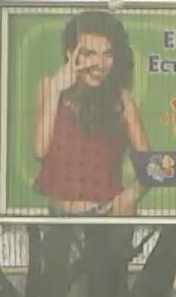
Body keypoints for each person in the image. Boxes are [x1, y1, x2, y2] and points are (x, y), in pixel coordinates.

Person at [32, 11, 149, 217]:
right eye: (89, 54)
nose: (99, 64)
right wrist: (55, 92)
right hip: (58, 219)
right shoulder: (49, 88)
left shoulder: (121, 100)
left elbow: (151, 165)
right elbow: (40, 151)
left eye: (108, 54)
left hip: (105, 220)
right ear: (71, 54)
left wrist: (130, 196)